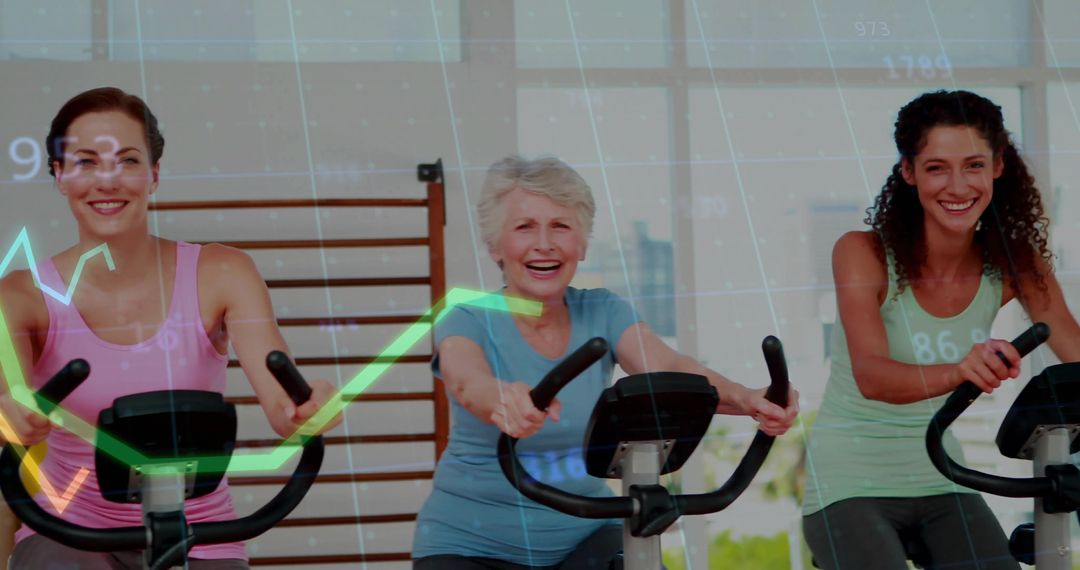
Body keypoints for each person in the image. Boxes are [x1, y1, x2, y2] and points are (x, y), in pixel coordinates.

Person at [0, 87, 343, 568]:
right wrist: (8, 414)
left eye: (128, 160)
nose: (108, 180)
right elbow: (4, 399)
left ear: (154, 175)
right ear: (58, 175)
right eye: (85, 162)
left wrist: (307, 412)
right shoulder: (20, 295)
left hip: (199, 533)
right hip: (71, 536)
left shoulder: (224, 272)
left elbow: (284, 407)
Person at [411, 155, 800, 569]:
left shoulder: (603, 312)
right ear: (495, 246)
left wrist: (747, 398)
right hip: (472, 545)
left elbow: (668, 367)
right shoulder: (466, 318)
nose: (544, 243)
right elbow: (467, 381)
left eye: (561, 226)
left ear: (581, 243)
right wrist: (502, 399)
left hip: (585, 532)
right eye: (524, 227)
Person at [802, 90, 1080, 570]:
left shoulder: (1014, 262)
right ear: (909, 173)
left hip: (942, 475)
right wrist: (961, 370)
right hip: (848, 480)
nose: (957, 186)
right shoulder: (862, 253)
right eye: (936, 168)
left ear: (997, 167)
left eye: (973, 165)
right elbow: (873, 375)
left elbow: (1075, 351)